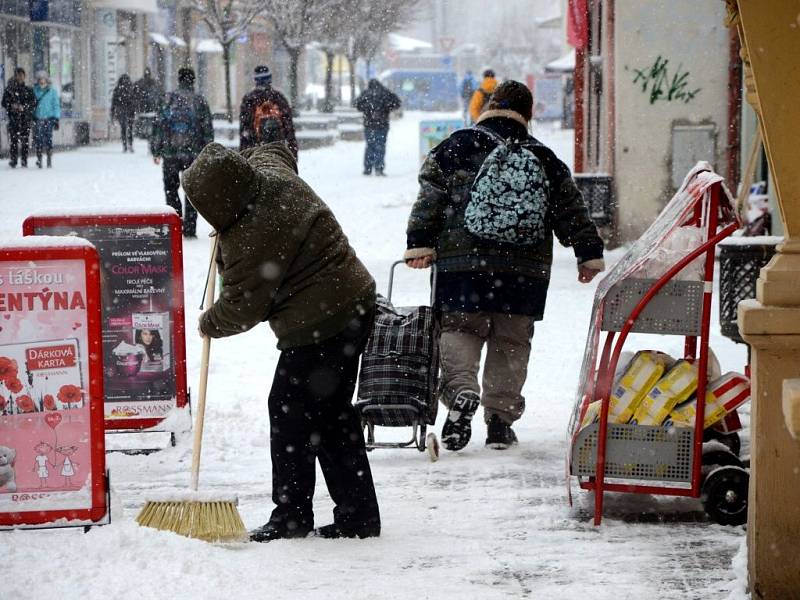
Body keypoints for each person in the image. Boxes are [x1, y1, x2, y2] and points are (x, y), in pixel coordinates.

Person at [183, 141, 380, 542]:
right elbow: (275, 148)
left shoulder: (251, 236)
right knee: (331, 413)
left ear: (220, 202)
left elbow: (241, 307)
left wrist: (209, 322)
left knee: (290, 411)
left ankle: (292, 516)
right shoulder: (270, 173)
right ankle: (358, 515)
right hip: (353, 301)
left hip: (322, 322)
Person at [404, 80, 605, 451]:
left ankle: (463, 391)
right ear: (527, 114)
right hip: (523, 269)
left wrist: (420, 243)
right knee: (511, 342)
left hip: (462, 266)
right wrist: (586, 252)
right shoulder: (543, 157)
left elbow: (430, 195)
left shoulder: (457, 146)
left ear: (489, 106)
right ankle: (499, 419)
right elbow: (570, 209)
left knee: (460, 330)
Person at [150, 67, 213, 238]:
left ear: (179, 79)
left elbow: (159, 125)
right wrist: (208, 152)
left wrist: (156, 150)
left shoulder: (168, 99)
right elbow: (207, 128)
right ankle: (190, 228)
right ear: (193, 81)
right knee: (191, 190)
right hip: (193, 154)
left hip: (170, 154)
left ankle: (175, 225)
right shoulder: (199, 100)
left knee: (171, 189)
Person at [238, 65, 297, 158]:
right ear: (269, 79)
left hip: (255, 152)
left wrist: (244, 154)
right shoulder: (279, 98)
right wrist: (293, 153)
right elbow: (289, 127)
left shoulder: (249, 99)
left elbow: (244, 129)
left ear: (256, 80)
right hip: (279, 152)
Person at [354, 79, 401, 176]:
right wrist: (387, 108)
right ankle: (379, 167)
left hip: (369, 124)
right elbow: (397, 103)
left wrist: (367, 110)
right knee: (380, 145)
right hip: (382, 124)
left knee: (370, 145)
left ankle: (368, 168)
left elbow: (357, 105)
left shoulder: (366, 94)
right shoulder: (385, 93)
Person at [2, 67, 36, 168]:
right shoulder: (10, 89)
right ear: (15, 76)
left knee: (25, 141)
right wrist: (12, 106)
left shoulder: (28, 89)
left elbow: (34, 103)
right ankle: (14, 160)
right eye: (18, 75)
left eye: (22, 75)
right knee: (13, 141)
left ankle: (24, 160)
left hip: (25, 119)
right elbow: (4, 102)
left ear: (24, 76)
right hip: (13, 119)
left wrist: (24, 107)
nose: (20, 77)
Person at [32, 71, 61, 169]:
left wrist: (56, 118)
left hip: (49, 118)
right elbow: (32, 105)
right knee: (38, 139)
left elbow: (56, 105)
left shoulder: (52, 91)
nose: (42, 81)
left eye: (43, 79)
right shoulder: (34, 91)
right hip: (38, 118)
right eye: (40, 79)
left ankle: (49, 158)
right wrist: (32, 116)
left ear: (47, 80)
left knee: (48, 139)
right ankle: (39, 158)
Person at [111, 74, 137, 153]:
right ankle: (130, 145)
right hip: (129, 111)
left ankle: (125, 145)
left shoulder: (118, 89)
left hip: (121, 111)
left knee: (123, 129)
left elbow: (114, 102)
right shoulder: (131, 88)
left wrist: (112, 113)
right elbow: (135, 100)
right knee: (130, 129)